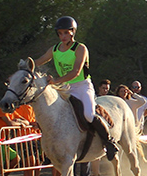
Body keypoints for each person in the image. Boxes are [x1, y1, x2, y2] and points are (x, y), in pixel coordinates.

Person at [33, 16, 118, 161]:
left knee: (89, 114)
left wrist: (55, 81)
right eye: (60, 33)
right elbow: (39, 61)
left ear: (73, 32)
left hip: (82, 86)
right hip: (65, 87)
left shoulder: (80, 48)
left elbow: (76, 72)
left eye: (66, 32)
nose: (63, 36)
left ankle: (109, 142)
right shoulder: (54, 49)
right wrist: (24, 67)